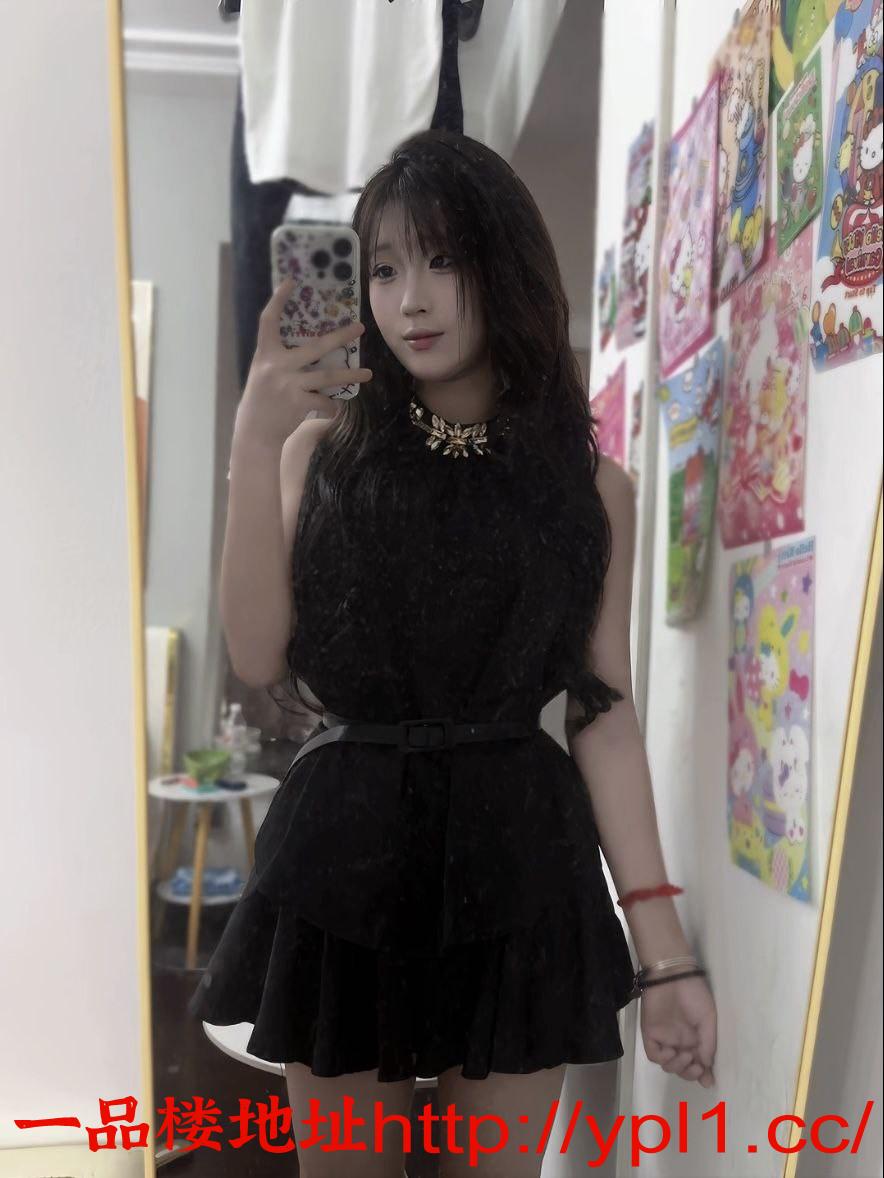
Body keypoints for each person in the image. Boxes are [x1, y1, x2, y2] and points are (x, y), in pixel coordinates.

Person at [189, 129, 717, 1178]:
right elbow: (255, 651)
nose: (410, 300)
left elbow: (602, 712)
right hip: (345, 855)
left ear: (504, 268)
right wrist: (253, 437)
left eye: (442, 259)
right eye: (384, 269)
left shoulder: (591, 488)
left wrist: (664, 952)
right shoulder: (317, 455)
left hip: (520, 860)